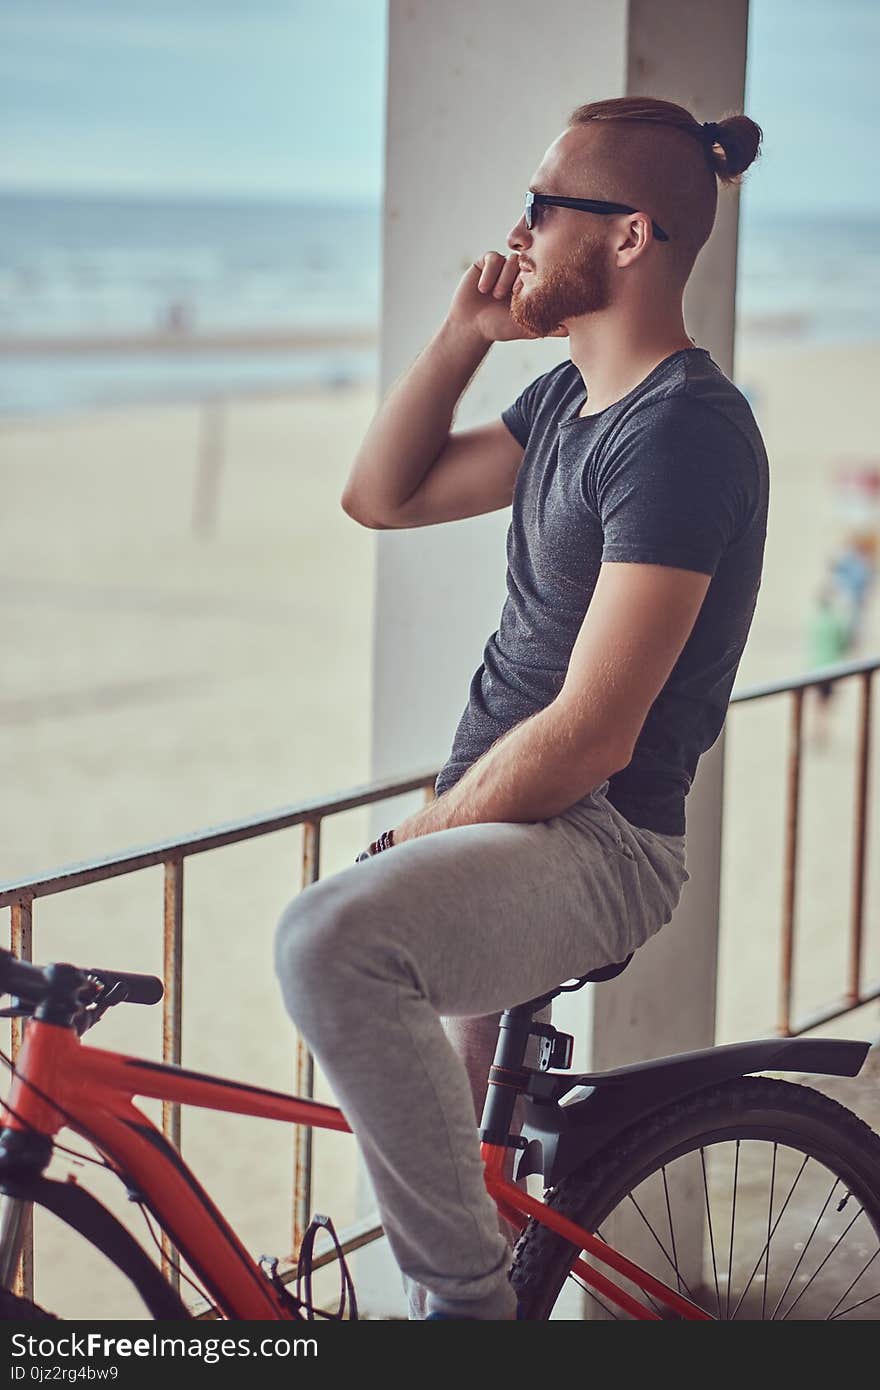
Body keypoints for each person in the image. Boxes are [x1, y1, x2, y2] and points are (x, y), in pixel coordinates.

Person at [274, 96, 768, 1320]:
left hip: (594, 838)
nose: (520, 230)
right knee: (466, 1189)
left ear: (631, 236)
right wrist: (459, 333)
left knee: (327, 939)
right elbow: (381, 498)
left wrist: (420, 836)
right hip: (507, 822)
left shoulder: (681, 435)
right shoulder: (564, 406)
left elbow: (596, 734)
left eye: (546, 207)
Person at [805, 578, 854, 750]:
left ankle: (817, 730)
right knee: (826, 703)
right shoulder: (836, 622)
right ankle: (823, 732)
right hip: (832, 668)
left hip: (816, 668)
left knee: (818, 702)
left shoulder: (818, 622)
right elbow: (844, 643)